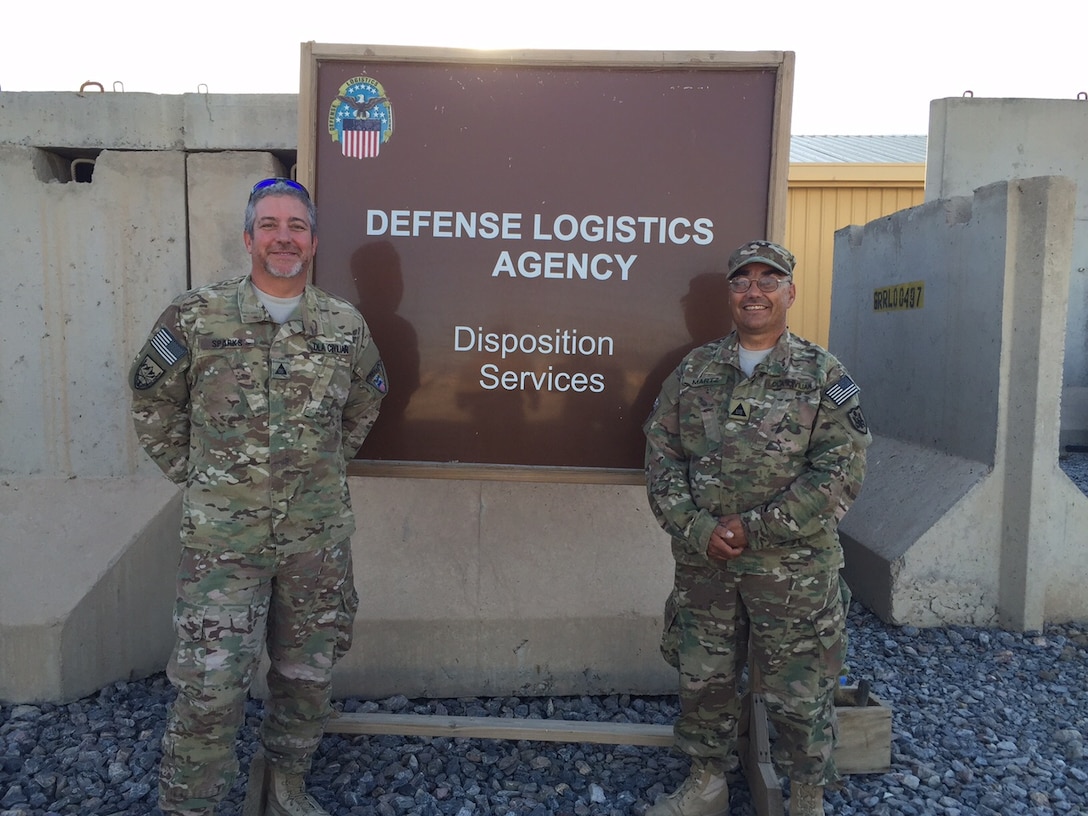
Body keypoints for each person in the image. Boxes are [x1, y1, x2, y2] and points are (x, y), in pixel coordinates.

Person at [129, 178, 389, 816]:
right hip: (225, 546)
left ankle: (287, 784)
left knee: (306, 677)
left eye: (296, 226)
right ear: (249, 238)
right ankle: (190, 804)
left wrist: (316, 473)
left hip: (315, 542)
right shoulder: (196, 316)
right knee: (211, 687)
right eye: (269, 225)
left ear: (314, 241)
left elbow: (364, 403)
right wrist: (202, 480)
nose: (283, 237)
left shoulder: (343, 325)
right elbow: (151, 401)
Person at [642, 240, 871, 816]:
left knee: (800, 691)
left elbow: (842, 469)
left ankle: (807, 797)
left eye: (770, 280)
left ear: (790, 293)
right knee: (705, 680)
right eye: (743, 280)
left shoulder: (824, 374)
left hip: (791, 573)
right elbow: (661, 455)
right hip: (707, 566)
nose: (755, 290)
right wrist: (696, 528)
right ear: (730, 294)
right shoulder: (694, 370)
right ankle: (706, 784)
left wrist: (757, 529)